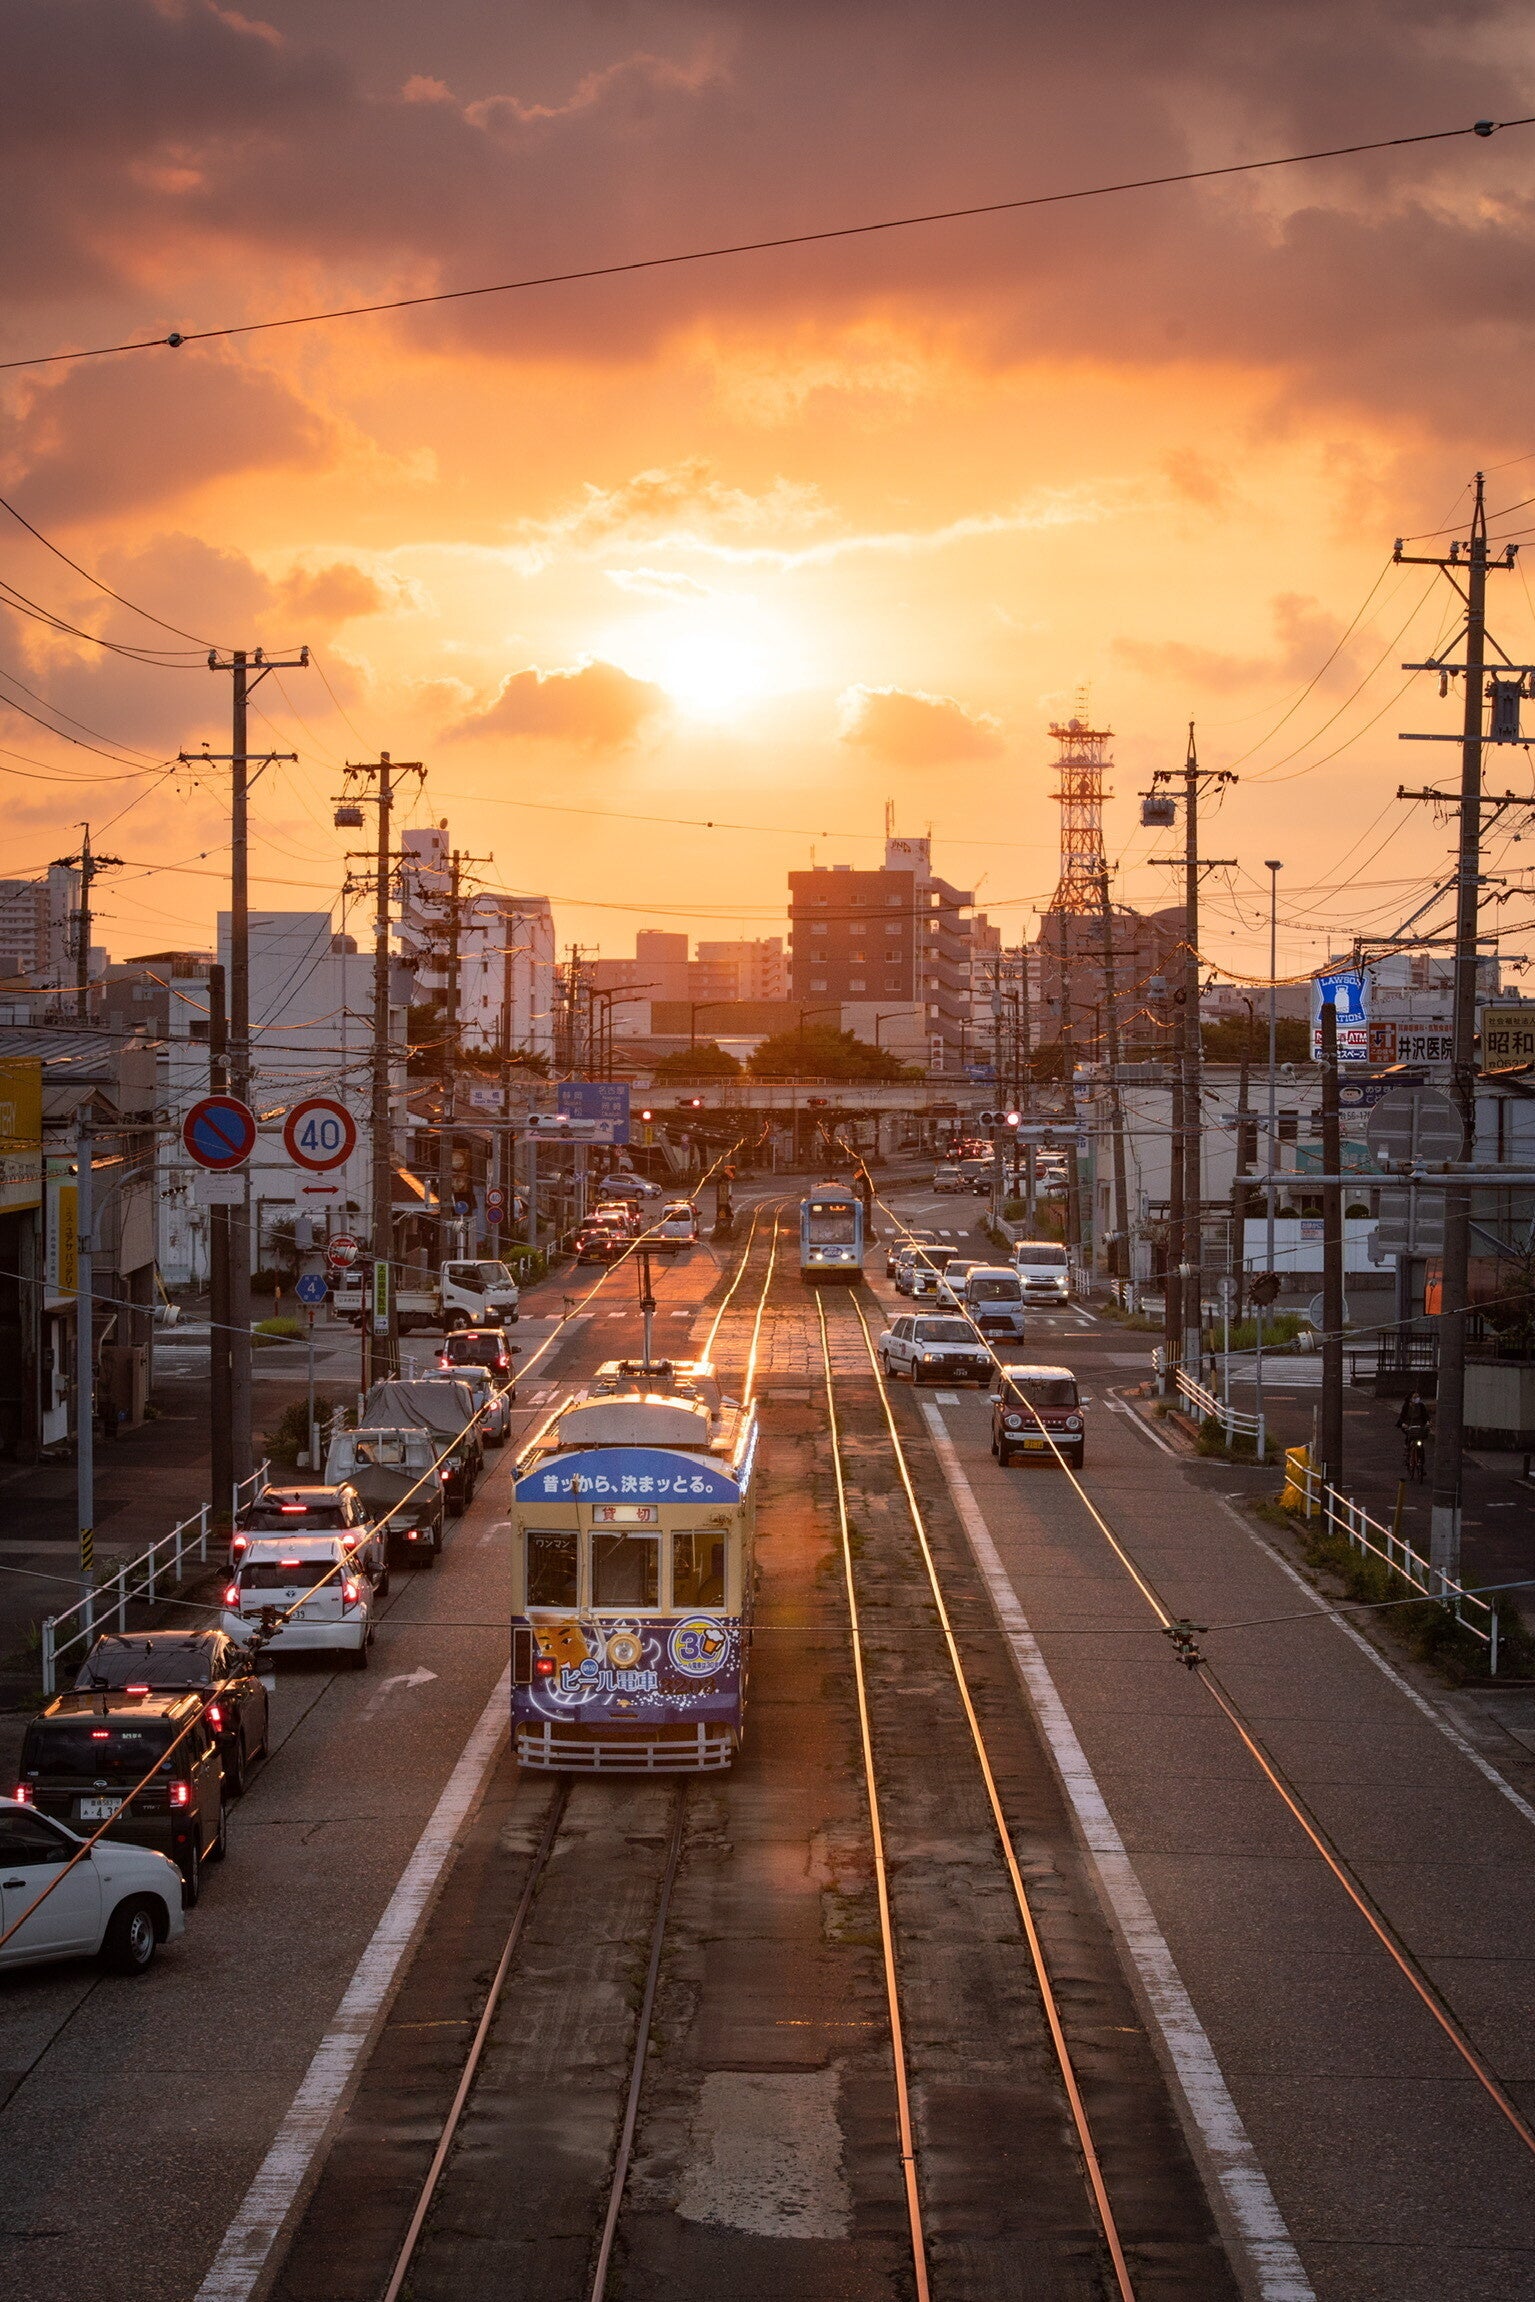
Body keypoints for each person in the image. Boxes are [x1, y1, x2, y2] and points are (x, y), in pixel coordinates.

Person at [1397, 1388, 1432, 1476]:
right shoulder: (1406, 1406)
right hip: (1409, 1426)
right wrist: (1403, 1424)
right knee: (1409, 1438)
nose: (1417, 1399)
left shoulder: (1421, 1406)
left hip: (1419, 1427)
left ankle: (1421, 1466)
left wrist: (1428, 1422)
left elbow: (1426, 1416)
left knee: (1420, 1446)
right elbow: (1402, 1417)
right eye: (1414, 1397)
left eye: (1418, 1397)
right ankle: (1408, 1453)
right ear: (1410, 1398)